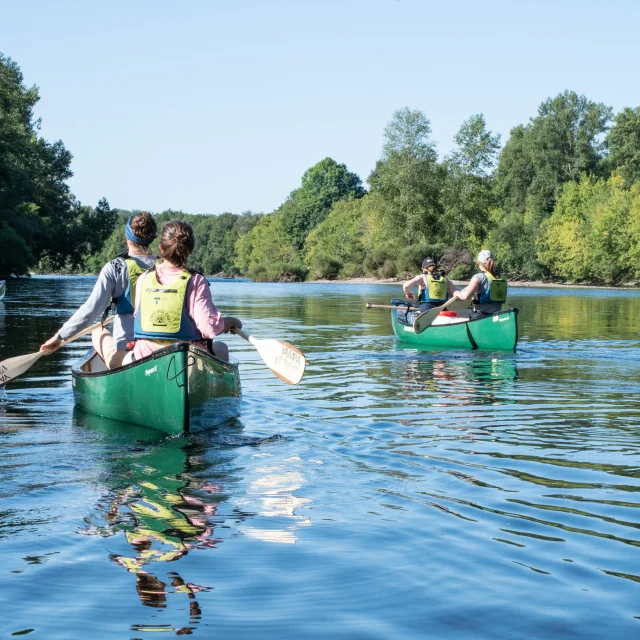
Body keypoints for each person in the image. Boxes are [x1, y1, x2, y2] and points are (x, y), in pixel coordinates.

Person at [40, 212, 158, 368]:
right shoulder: (167, 267)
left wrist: (59, 336)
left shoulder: (115, 267)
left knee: (97, 331)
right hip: (161, 348)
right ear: (152, 238)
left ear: (127, 237)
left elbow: (91, 309)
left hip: (127, 353)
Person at [126, 220, 241, 364]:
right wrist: (231, 322)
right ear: (191, 250)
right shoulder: (196, 281)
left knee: (127, 357)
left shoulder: (143, 278)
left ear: (161, 248)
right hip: (187, 359)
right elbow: (209, 328)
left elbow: (137, 314)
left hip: (146, 357)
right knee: (222, 348)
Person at [453, 249, 508, 318]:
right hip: (498, 315)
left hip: (480, 316)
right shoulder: (503, 278)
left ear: (478, 263)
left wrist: (456, 292)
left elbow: (465, 296)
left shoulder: (478, 277)